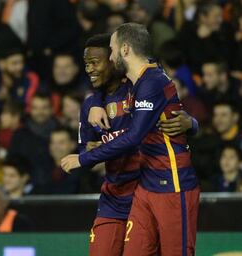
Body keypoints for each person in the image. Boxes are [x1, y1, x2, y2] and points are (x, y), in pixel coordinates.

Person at [62, 23, 200, 255]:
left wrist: (192, 124)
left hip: (169, 182)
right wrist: (95, 103)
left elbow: (136, 135)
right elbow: (88, 144)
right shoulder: (122, 92)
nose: (88, 69)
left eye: (112, 51)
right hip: (131, 192)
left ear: (122, 51)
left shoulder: (147, 83)